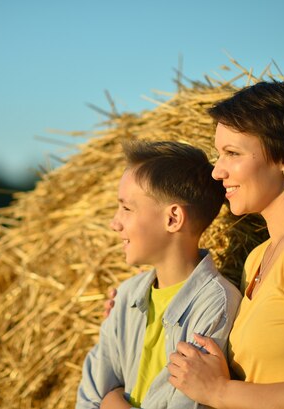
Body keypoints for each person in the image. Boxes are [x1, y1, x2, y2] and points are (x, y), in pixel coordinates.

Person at [105, 81, 284, 409]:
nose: (217, 171)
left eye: (232, 154)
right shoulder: (257, 258)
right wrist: (136, 310)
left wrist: (217, 391)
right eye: (218, 154)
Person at [76, 140, 242, 409]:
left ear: (173, 218)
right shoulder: (126, 296)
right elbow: (89, 397)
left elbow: (187, 403)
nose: (114, 222)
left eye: (127, 208)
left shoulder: (215, 305)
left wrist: (111, 402)